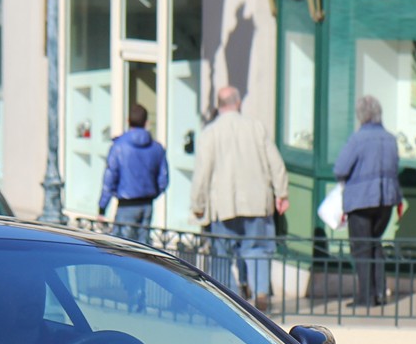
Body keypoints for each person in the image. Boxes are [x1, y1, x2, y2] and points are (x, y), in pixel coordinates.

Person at [189, 86, 288, 312]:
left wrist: (198, 204)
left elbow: (202, 173)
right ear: (238, 103)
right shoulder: (256, 128)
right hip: (257, 204)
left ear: (218, 106)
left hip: (223, 206)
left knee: (222, 256)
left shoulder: (209, 133)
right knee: (258, 250)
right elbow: (276, 163)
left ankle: (232, 300)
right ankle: (261, 290)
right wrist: (281, 193)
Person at [333, 95, 401, 308]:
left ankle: (365, 297)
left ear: (361, 116)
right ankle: (379, 292)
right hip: (386, 200)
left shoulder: (358, 139)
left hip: (361, 201)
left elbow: (340, 168)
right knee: (375, 244)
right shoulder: (390, 138)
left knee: (362, 248)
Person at [97, 103, 168, 245]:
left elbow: (110, 179)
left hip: (126, 205)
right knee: (143, 250)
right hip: (147, 204)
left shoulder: (118, 146)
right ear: (146, 123)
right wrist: (152, 193)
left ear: (128, 121)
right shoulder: (157, 148)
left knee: (122, 250)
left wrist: (102, 208)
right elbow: (163, 180)